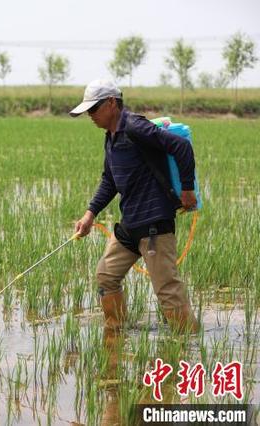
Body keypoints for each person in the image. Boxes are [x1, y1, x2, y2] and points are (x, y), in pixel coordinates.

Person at [70, 79, 198, 334]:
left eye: (93, 109)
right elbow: (110, 180)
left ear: (111, 103)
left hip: (154, 225)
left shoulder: (135, 127)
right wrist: (89, 214)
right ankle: (115, 333)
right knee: (106, 276)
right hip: (129, 225)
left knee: (167, 290)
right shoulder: (111, 137)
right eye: (87, 111)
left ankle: (189, 344)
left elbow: (181, 146)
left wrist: (187, 190)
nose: (90, 116)